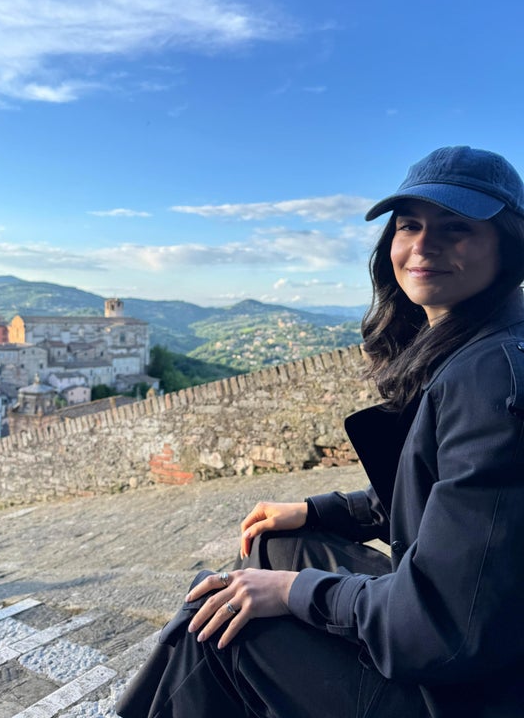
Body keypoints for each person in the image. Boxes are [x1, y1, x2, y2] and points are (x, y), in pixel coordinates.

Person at [115, 146, 524, 718]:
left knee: (219, 625)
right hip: (470, 635)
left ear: (508, 245)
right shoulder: (473, 348)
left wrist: (288, 592)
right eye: (409, 225)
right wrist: (317, 511)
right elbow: (448, 497)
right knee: (272, 545)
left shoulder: (491, 380)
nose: (423, 246)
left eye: (456, 228)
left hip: (471, 686)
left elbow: (440, 627)